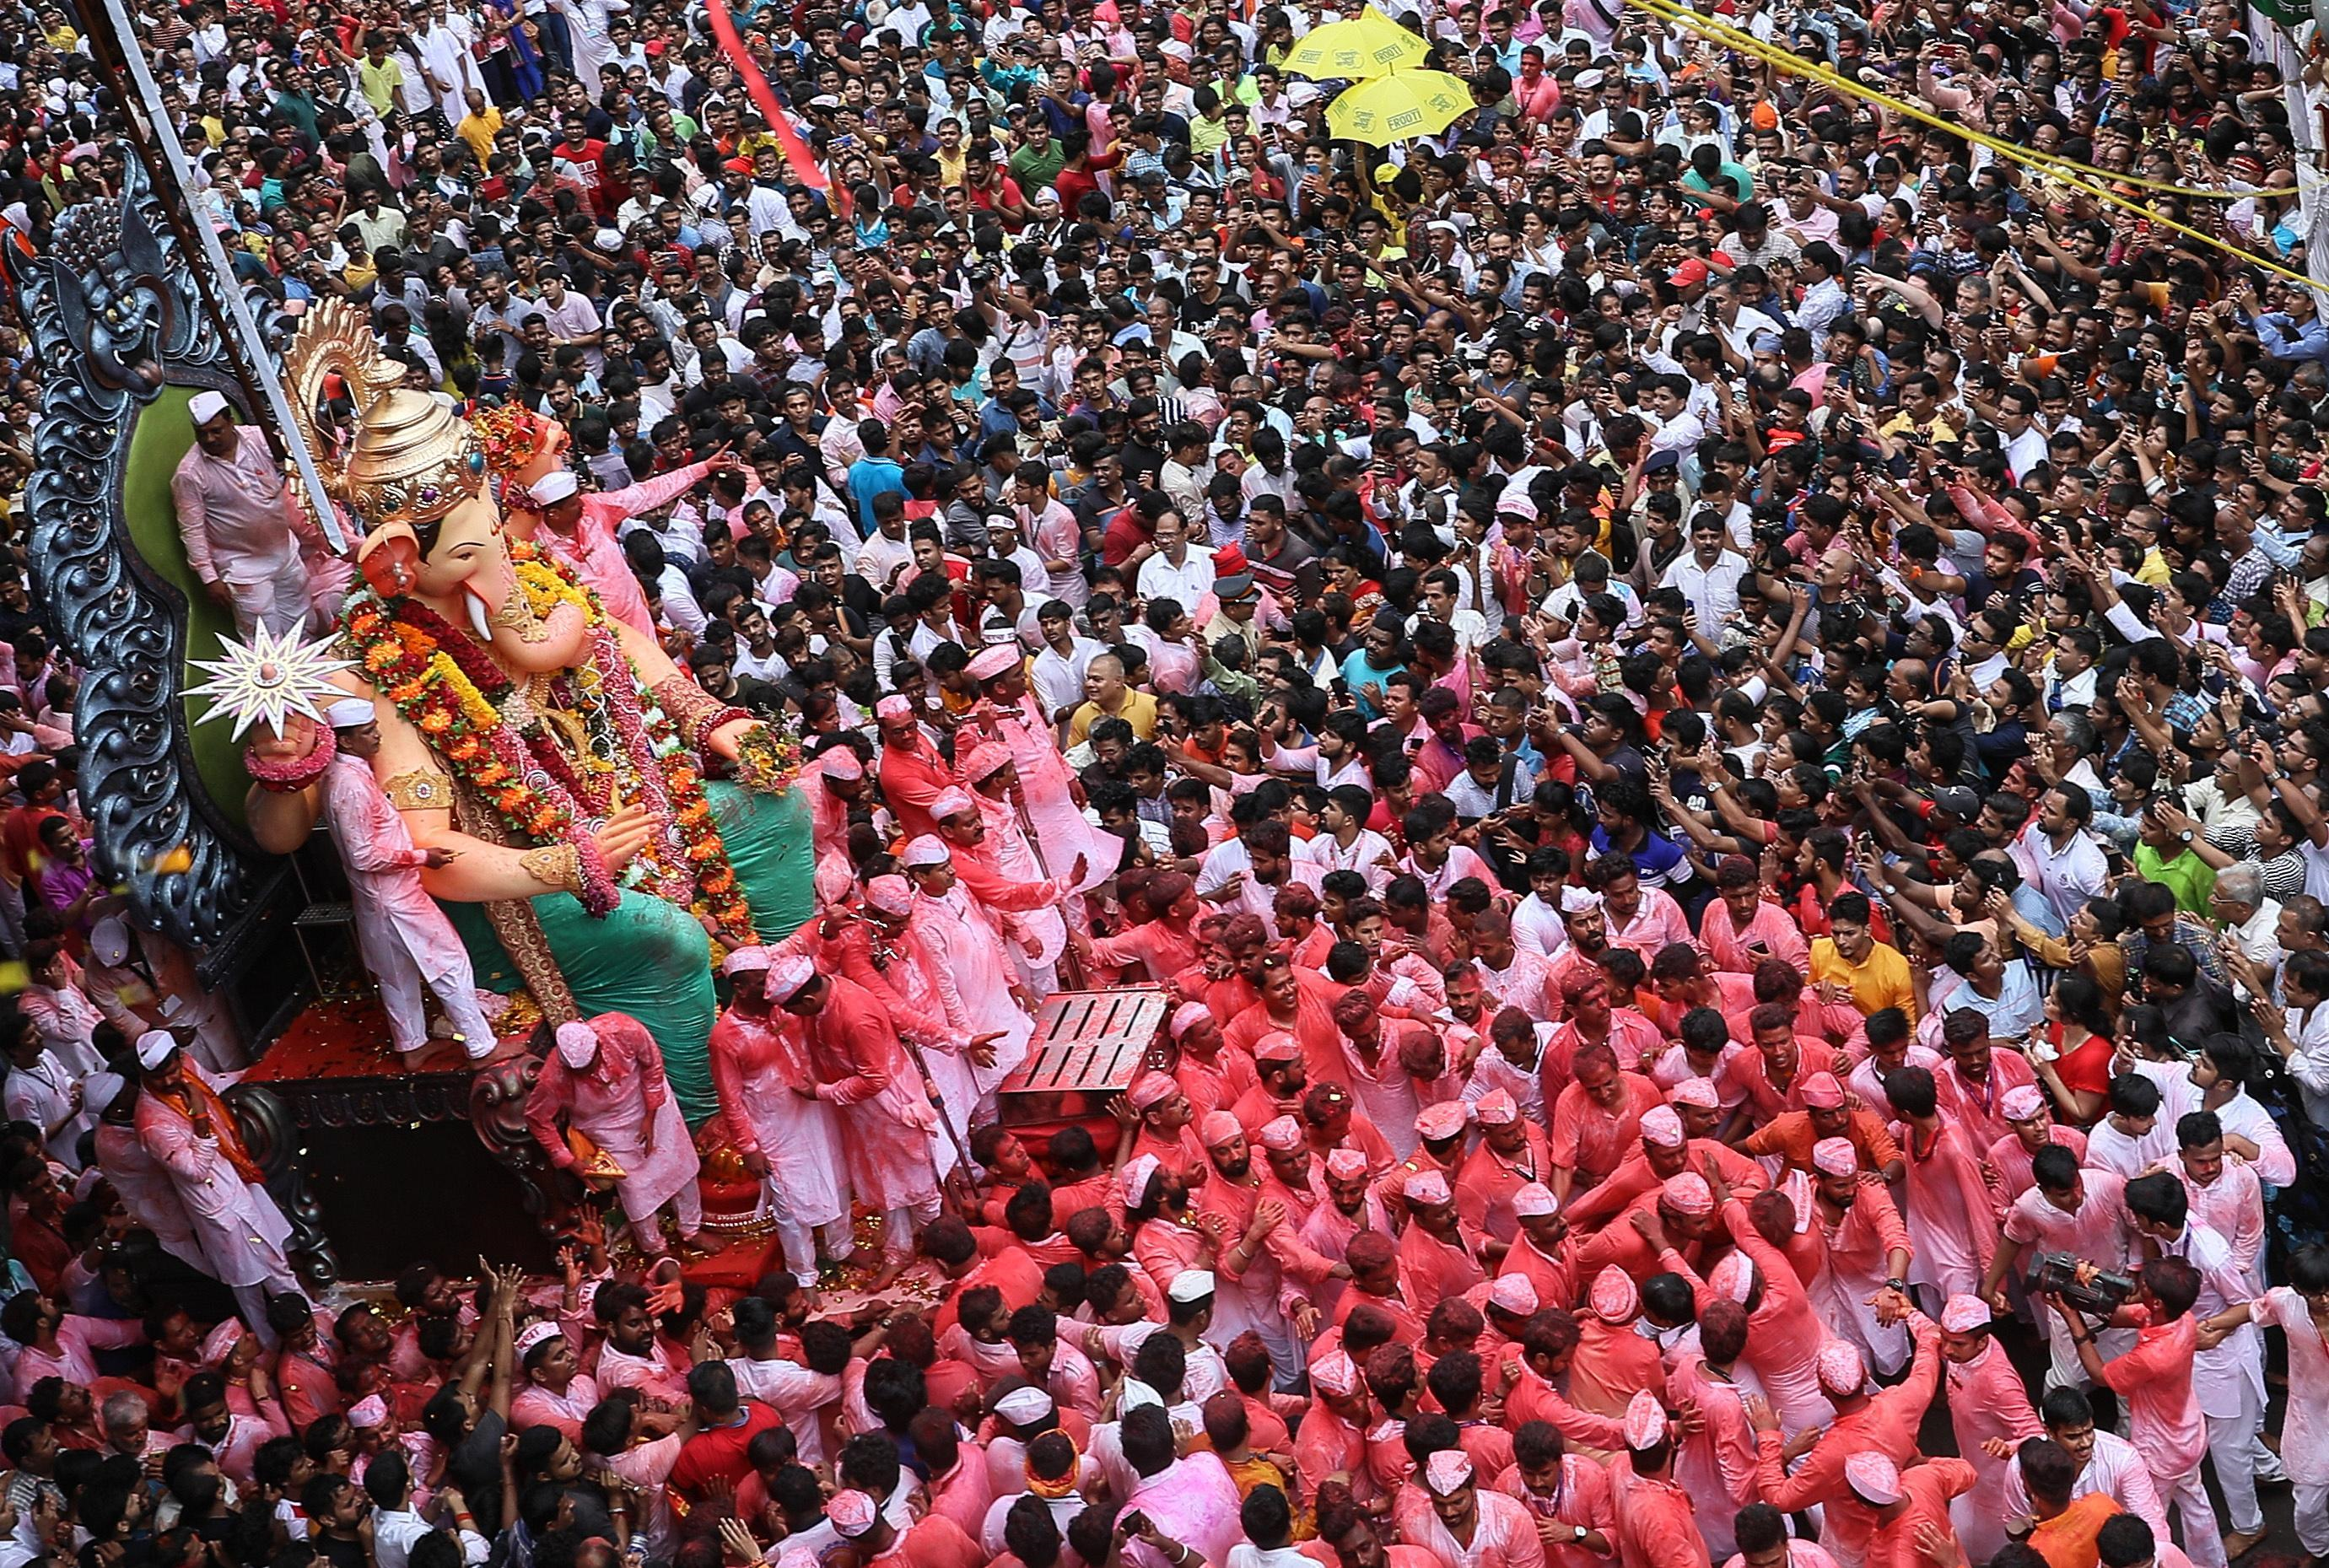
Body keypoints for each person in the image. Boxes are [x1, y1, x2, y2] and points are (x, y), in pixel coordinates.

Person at [318, 697, 496, 1058]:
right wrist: (423, 857)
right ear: (346, 741)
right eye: (368, 732)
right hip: (395, 897)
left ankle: (412, 1046)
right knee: (450, 963)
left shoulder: (346, 775)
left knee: (397, 975)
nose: (377, 736)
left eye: (375, 728)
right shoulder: (349, 785)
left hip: (380, 898)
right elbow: (363, 855)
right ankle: (482, 1048)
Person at [523, 1014, 711, 1258]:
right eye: (579, 1071)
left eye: (591, 1064)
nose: (588, 1073)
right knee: (635, 1188)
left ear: (599, 1046)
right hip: (605, 1126)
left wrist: (650, 1116)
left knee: (681, 1164)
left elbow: (653, 1065)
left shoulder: (624, 1030)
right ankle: (655, 1248)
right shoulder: (553, 1078)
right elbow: (537, 1119)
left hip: (648, 1102)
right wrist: (569, 1161)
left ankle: (690, 1228)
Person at [170, 391, 313, 637]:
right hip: (243, 568)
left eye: (216, 431)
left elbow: (293, 468)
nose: (210, 439)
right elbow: (192, 530)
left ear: (231, 422)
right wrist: (209, 578)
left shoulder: (259, 438)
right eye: (202, 433)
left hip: (285, 553)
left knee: (304, 626)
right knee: (265, 643)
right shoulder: (190, 474)